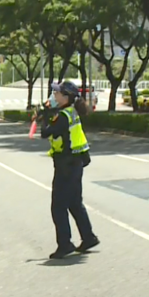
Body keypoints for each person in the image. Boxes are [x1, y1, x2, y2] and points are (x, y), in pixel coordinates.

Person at [36, 81, 100, 259]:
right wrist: (48, 114)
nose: (54, 95)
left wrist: (45, 116)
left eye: (57, 93)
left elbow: (46, 132)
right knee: (74, 203)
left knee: (58, 206)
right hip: (74, 163)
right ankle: (88, 237)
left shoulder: (64, 116)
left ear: (66, 97)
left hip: (66, 165)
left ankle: (65, 244)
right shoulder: (70, 112)